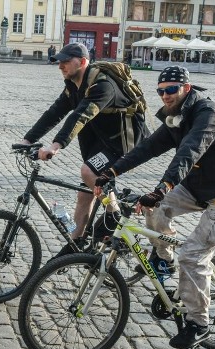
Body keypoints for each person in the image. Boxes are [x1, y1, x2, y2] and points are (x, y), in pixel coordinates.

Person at [93, 66, 215, 349]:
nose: (165, 96)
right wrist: (110, 172)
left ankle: (199, 324)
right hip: (198, 187)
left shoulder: (208, 114)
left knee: (192, 256)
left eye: (170, 90)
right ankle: (164, 260)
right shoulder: (175, 117)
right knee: (151, 208)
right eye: (160, 91)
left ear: (186, 89)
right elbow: (147, 148)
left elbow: (190, 150)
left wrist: (163, 188)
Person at [21, 42, 148, 250]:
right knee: (84, 194)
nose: (60, 66)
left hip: (124, 144)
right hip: (102, 143)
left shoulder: (103, 85)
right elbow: (55, 112)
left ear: (82, 62)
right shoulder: (73, 85)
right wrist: (27, 140)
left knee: (88, 171)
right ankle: (76, 243)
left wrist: (54, 146)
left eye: (65, 62)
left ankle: (114, 216)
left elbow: (80, 115)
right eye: (58, 62)